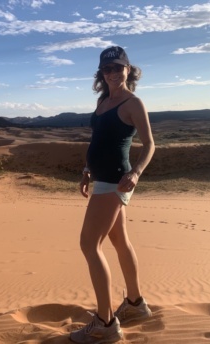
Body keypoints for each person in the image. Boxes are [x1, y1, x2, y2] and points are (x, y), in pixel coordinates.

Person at [70, 46, 155, 344]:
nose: (113, 73)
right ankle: (135, 305)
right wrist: (86, 169)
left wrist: (136, 173)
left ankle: (105, 323)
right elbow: (99, 141)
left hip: (115, 183)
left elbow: (149, 145)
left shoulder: (133, 103)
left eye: (118, 68)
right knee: (120, 240)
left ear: (128, 70)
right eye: (107, 69)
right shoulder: (103, 101)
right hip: (100, 178)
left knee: (89, 244)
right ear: (101, 74)